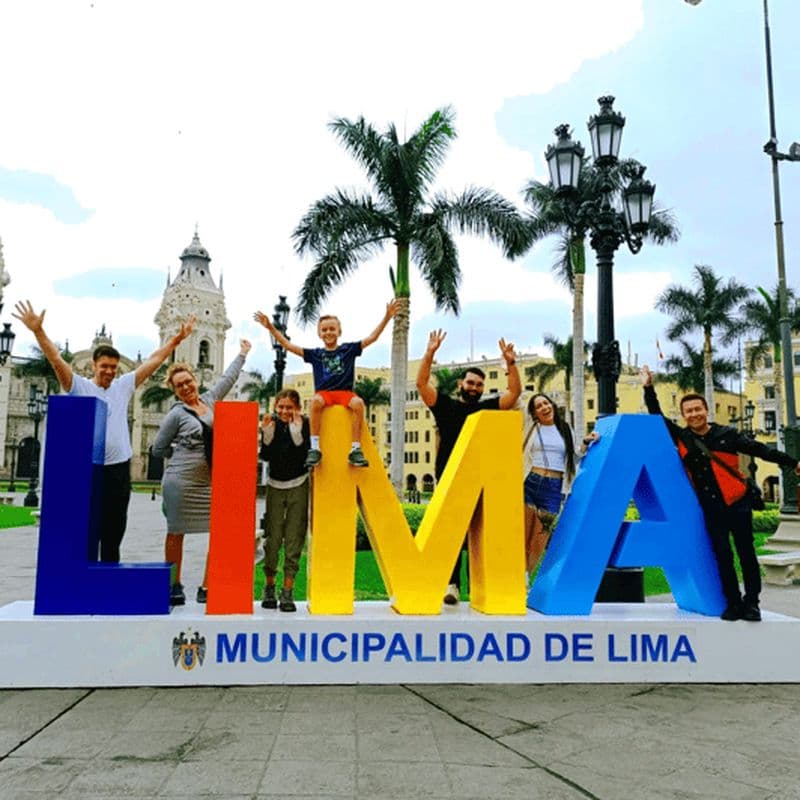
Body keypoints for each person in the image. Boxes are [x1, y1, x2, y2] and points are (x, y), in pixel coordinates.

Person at [12, 300, 195, 562]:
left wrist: (177, 339)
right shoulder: (80, 386)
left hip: (119, 469)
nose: (109, 371)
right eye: (104, 366)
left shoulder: (123, 386)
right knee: (87, 527)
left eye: (114, 367)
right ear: (95, 366)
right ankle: (84, 580)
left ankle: (108, 578)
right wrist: (38, 332)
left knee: (114, 529)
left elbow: (155, 360)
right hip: (89, 468)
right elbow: (56, 360)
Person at [641, 364, 800, 622]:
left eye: (698, 409)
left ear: (707, 410)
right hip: (711, 507)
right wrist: (649, 387)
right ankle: (733, 603)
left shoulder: (727, 434)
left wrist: (792, 463)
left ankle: (752, 603)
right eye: (689, 411)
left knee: (747, 554)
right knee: (722, 556)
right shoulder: (683, 438)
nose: (694, 414)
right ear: (683, 415)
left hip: (738, 504)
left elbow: (761, 450)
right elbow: (656, 415)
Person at [416, 329, 521, 605]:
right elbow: (422, 384)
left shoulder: (486, 409)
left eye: (478, 385)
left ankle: (482, 587)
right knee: (451, 535)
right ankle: (451, 585)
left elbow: (513, 394)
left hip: (480, 479)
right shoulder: (446, 406)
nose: (474, 387)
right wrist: (429, 354)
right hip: (450, 479)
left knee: (478, 535)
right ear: (461, 383)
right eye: (471, 382)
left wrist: (510, 364)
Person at [152, 340, 251, 605]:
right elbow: (158, 448)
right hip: (180, 483)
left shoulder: (210, 401)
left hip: (209, 482)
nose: (186, 387)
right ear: (174, 390)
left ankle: (207, 585)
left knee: (219, 532)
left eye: (188, 381)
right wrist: (183, 450)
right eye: (179, 385)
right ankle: (174, 584)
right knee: (175, 533)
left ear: (195, 380)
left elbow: (228, 379)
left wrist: (242, 354)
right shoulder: (176, 414)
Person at [254, 300, 398, 468]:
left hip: (345, 393)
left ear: (339, 331)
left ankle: (355, 449)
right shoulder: (315, 354)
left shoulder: (349, 349)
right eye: (324, 330)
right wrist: (271, 327)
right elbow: (287, 345)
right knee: (315, 402)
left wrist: (387, 317)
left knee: (358, 403)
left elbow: (372, 338)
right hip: (324, 394)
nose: (328, 332)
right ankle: (315, 448)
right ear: (319, 334)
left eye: (332, 329)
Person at [523, 393, 598, 579]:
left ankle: (525, 577)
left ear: (552, 405)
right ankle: (517, 578)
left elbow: (574, 456)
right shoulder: (530, 429)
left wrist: (585, 443)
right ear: (534, 413)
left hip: (553, 488)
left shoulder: (565, 429)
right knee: (523, 535)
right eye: (538, 406)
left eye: (546, 403)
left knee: (540, 538)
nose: (544, 408)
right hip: (530, 482)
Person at [259, 389, 311, 613]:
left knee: (294, 540)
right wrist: (267, 434)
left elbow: (305, 451)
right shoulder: (271, 424)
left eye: (289, 407)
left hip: (299, 484)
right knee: (272, 539)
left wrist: (296, 431)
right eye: (281, 406)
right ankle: (269, 587)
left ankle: (287, 591)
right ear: (275, 406)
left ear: (297, 408)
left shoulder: (306, 423)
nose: (284, 411)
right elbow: (267, 456)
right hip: (275, 486)